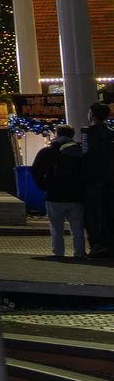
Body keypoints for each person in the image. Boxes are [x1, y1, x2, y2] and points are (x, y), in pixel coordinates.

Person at [39, 125, 88, 260]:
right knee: (78, 229)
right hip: (76, 196)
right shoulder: (80, 152)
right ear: (72, 136)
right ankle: (79, 253)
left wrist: (45, 186)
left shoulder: (47, 152)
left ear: (57, 134)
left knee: (56, 228)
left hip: (54, 196)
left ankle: (58, 253)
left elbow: (36, 172)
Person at [83, 102, 114, 265]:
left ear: (92, 115)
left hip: (93, 184)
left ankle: (98, 248)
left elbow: (86, 157)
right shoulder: (111, 134)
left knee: (95, 217)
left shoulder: (88, 134)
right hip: (109, 183)